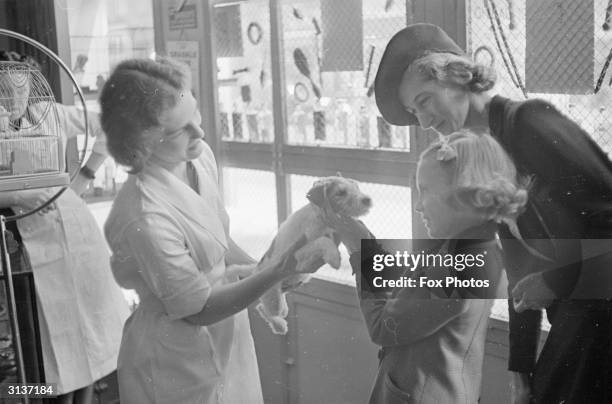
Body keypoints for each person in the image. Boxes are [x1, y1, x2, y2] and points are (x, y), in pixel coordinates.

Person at [373, 23, 612, 403]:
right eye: (413, 110)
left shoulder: (530, 122)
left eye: (424, 101)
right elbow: (521, 269)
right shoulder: (480, 153)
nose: (423, 121)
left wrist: (554, 282)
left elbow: (607, 218)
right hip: (574, 321)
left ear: (456, 76)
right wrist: (521, 370)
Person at [100, 57, 320, 404]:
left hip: (227, 333)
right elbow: (198, 308)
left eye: (195, 114)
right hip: (174, 355)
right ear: (139, 146)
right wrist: (275, 272)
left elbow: (218, 239)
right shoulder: (143, 215)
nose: (199, 133)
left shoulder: (198, 157)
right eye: (177, 130)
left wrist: (268, 272)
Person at [331, 132, 517, 402]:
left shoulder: (458, 265)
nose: (418, 205)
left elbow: (383, 326)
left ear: (465, 195)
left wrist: (360, 249)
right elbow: (413, 292)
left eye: (426, 190)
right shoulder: (476, 247)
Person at [0, 51, 130, 403]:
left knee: (91, 343)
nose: (12, 98)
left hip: (74, 229)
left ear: (32, 85)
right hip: (22, 238)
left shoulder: (50, 115)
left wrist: (85, 175)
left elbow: (113, 123)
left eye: (20, 87)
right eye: (3, 89)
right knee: (46, 355)